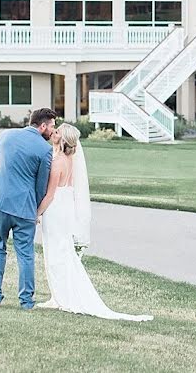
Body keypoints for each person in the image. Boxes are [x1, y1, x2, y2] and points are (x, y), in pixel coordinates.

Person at [36, 123, 153, 321]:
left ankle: (63, 296)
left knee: (55, 253)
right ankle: (59, 295)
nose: (52, 134)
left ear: (63, 139)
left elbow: (50, 195)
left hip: (55, 209)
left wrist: (37, 213)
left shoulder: (57, 162)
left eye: (56, 132)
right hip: (66, 208)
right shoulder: (69, 160)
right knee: (62, 252)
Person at [0, 107, 56, 310]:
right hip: (24, 208)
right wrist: (36, 211)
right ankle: (26, 301)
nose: (53, 131)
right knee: (25, 254)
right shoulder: (45, 150)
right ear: (42, 126)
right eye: (51, 126)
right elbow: (41, 186)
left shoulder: (5, 135)